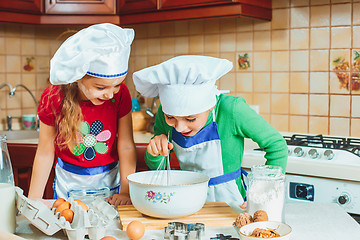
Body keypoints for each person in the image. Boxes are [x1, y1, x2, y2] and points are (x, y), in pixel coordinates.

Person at [133, 55, 288, 208]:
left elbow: (277, 145)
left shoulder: (232, 110)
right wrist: (154, 154)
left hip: (232, 204)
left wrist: (263, 193)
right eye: (171, 117)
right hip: (187, 204)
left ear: (210, 105)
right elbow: (159, 170)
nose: (179, 127)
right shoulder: (162, 114)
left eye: (190, 119)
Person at [28, 23, 137, 206]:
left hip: (109, 181)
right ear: (78, 77)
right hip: (68, 182)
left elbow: (126, 145)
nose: (110, 94)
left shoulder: (121, 95)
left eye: (117, 85)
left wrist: (126, 191)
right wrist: (34, 199)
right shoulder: (54, 98)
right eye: (100, 87)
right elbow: (45, 151)